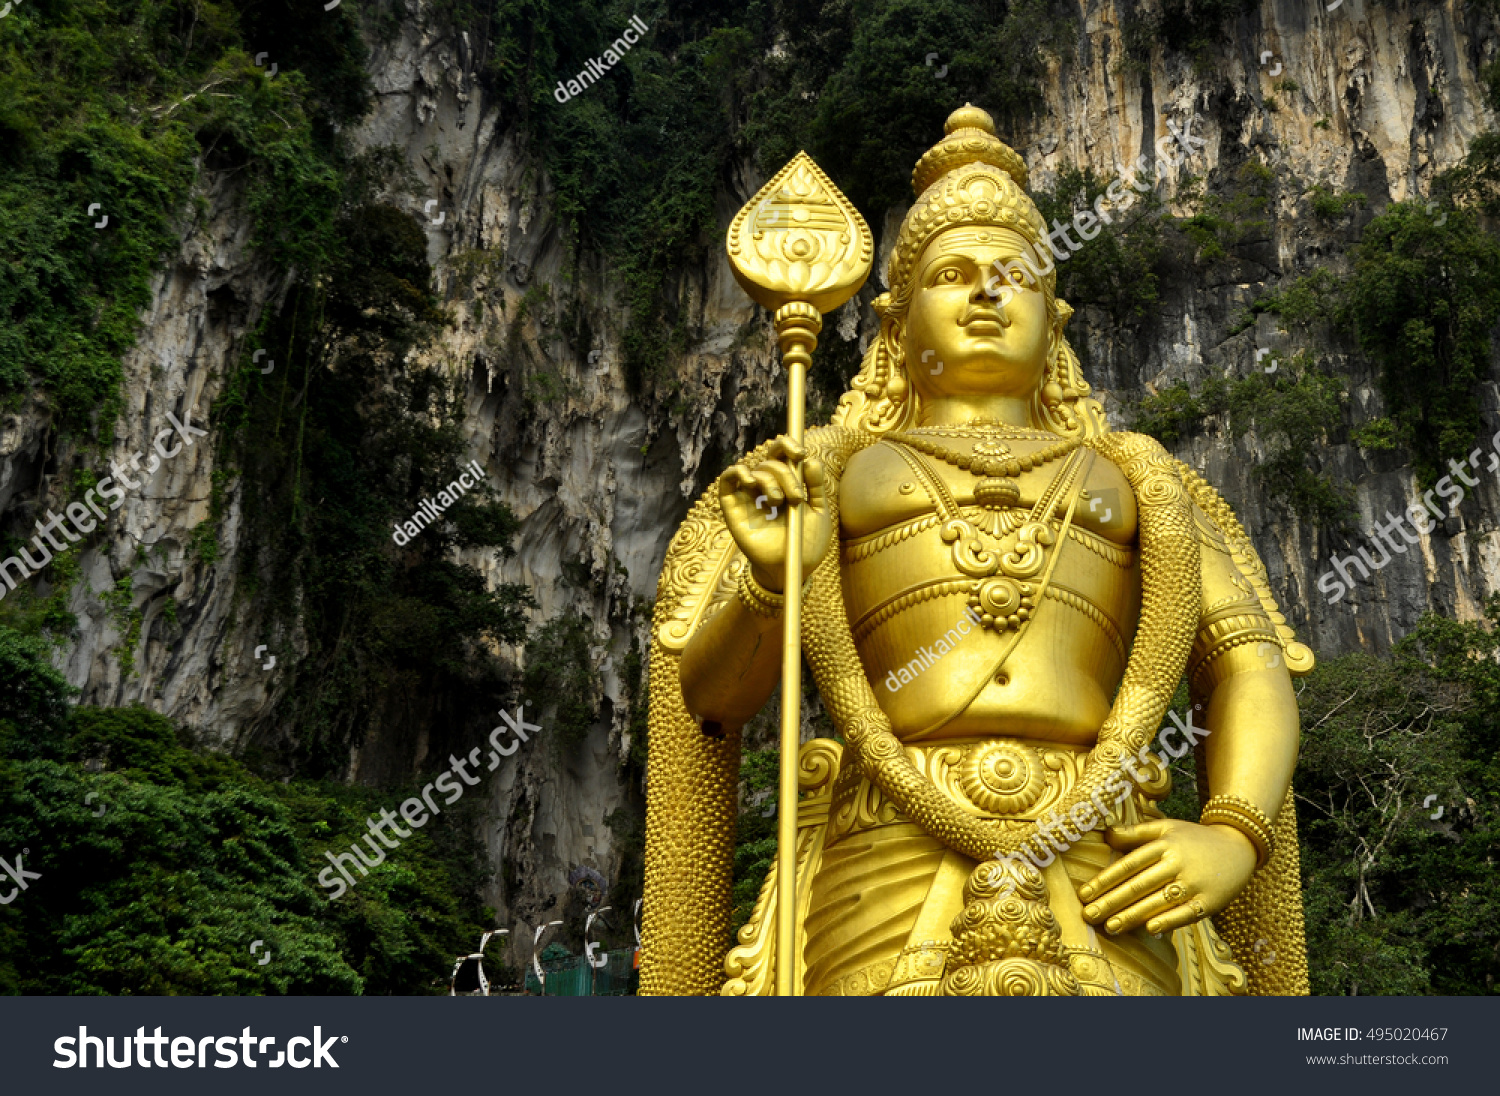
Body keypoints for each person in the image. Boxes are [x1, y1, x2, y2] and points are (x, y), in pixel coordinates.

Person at [641, 106, 1313, 997]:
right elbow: (711, 703)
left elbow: (1244, 666)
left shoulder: (1140, 482)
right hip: (888, 850)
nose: (988, 293)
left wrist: (1233, 831)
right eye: (953, 275)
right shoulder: (825, 474)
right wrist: (772, 581)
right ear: (897, 320)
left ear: (1055, 315)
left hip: (1104, 854)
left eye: (1016, 277)